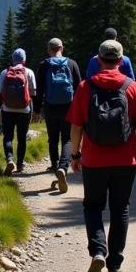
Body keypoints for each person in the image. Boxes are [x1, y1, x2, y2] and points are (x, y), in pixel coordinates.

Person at [67, 38, 136, 272]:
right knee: (120, 209)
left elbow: (76, 128)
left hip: (94, 161)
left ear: (99, 59)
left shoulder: (85, 87)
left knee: (93, 207)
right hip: (125, 161)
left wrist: (75, 154)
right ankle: (114, 265)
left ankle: (98, 252)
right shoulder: (132, 87)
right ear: (121, 60)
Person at [33, 37, 82, 194]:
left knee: (52, 138)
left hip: (50, 107)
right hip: (69, 107)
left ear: (49, 50)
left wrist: (36, 110)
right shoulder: (72, 64)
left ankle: (55, 166)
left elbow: (39, 90)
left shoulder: (44, 65)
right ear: (62, 48)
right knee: (67, 138)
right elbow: (79, 87)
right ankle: (63, 167)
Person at [0, 48, 37, 175]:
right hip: (24, 110)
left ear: (13, 59)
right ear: (24, 60)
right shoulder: (29, 72)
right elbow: (33, 92)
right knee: (22, 137)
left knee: (8, 136)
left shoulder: (5, 72)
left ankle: (9, 160)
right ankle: (20, 165)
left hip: (7, 109)